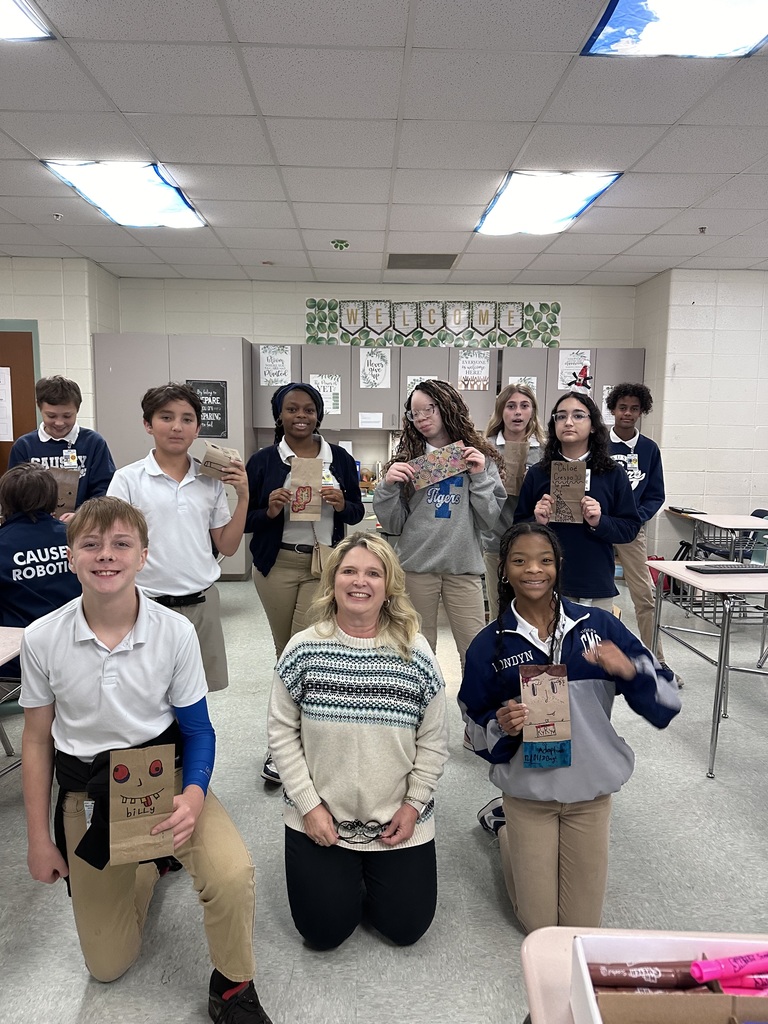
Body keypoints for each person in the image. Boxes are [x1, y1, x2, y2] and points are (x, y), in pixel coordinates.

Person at [19, 497, 273, 1023]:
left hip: (164, 778)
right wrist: (40, 839)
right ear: (70, 556)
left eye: (121, 544)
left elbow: (199, 729)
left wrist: (196, 794)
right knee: (107, 966)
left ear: (143, 556)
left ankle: (232, 985)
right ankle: (149, 866)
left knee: (231, 873)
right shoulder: (43, 637)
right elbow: (38, 740)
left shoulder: (173, 632)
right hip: (87, 791)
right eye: (90, 544)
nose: (105, 555)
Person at [458, 522, 681, 932]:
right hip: (529, 795)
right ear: (504, 570)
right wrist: (500, 725)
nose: (533, 571)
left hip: (588, 795)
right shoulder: (489, 645)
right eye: (519, 560)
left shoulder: (598, 626)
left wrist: (630, 671)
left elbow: (668, 703)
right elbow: (471, 728)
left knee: (581, 928)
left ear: (559, 566)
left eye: (545, 560)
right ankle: (506, 829)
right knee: (539, 927)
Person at [268, 533, 448, 950]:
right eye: (348, 571)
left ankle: (365, 873)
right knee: (323, 932)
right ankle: (345, 874)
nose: (359, 581)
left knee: (407, 929)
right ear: (332, 582)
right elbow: (281, 732)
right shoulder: (303, 648)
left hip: (397, 820)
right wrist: (308, 806)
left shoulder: (414, 652)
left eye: (373, 573)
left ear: (389, 588)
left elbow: (435, 740)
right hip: (321, 819)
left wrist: (414, 803)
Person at [246, 382, 363, 784]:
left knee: (305, 648)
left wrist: (339, 503)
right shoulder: (263, 461)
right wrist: (272, 508)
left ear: (318, 415)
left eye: (309, 409)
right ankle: (286, 738)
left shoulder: (340, 459)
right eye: (292, 409)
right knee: (285, 652)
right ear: (279, 415)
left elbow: (356, 509)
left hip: (323, 564)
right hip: (276, 565)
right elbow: (247, 520)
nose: (301, 416)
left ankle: (293, 743)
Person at [108, 382, 248, 692]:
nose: (177, 427)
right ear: (148, 424)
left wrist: (244, 495)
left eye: (187, 419)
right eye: (166, 417)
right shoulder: (128, 480)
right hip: (146, 605)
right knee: (148, 692)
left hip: (202, 603)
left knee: (199, 692)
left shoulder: (209, 481)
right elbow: (115, 546)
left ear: (197, 429)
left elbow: (226, 545)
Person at [373, 380, 506, 670]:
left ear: (446, 407)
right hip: (416, 569)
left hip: (463, 570)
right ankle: (417, 714)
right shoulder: (407, 460)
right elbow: (394, 524)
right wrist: (387, 487)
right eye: (414, 413)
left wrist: (481, 477)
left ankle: (477, 716)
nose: (421, 418)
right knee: (415, 652)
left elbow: (489, 520)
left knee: (476, 654)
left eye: (428, 410)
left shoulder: (479, 457)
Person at [515, 392, 640, 610]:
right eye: (561, 417)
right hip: (545, 582)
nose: (569, 422)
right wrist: (536, 522)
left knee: (592, 644)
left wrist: (600, 521)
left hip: (594, 581)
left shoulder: (612, 474)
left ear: (593, 425)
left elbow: (629, 528)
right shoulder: (538, 473)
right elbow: (516, 529)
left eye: (579, 416)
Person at [606, 382, 679, 682]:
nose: (627, 413)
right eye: (622, 407)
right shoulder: (597, 443)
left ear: (641, 411)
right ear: (613, 409)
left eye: (634, 408)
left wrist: (638, 518)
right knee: (583, 592)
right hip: (594, 528)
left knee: (644, 596)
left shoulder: (649, 449)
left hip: (631, 531)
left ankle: (656, 660)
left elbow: (656, 494)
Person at [0, 464, 81, 678]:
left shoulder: (3, 544)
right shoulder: (76, 539)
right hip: (78, 655)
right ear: (53, 497)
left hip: (18, 665)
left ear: (5, 500)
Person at [8, 375, 116, 518]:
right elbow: (13, 494)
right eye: (51, 416)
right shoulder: (24, 446)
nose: (59, 423)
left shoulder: (93, 443)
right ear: (38, 406)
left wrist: (81, 516)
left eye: (67, 416)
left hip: (83, 526)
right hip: (36, 527)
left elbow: (105, 489)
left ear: (77, 409)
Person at [482, 383, 546, 621]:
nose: (518, 412)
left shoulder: (545, 450)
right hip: (495, 539)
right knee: (499, 606)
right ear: (501, 412)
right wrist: (490, 481)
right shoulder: (485, 448)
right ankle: (499, 655)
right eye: (511, 406)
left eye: (524, 406)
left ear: (532, 411)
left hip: (533, 540)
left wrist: (536, 483)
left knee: (531, 605)